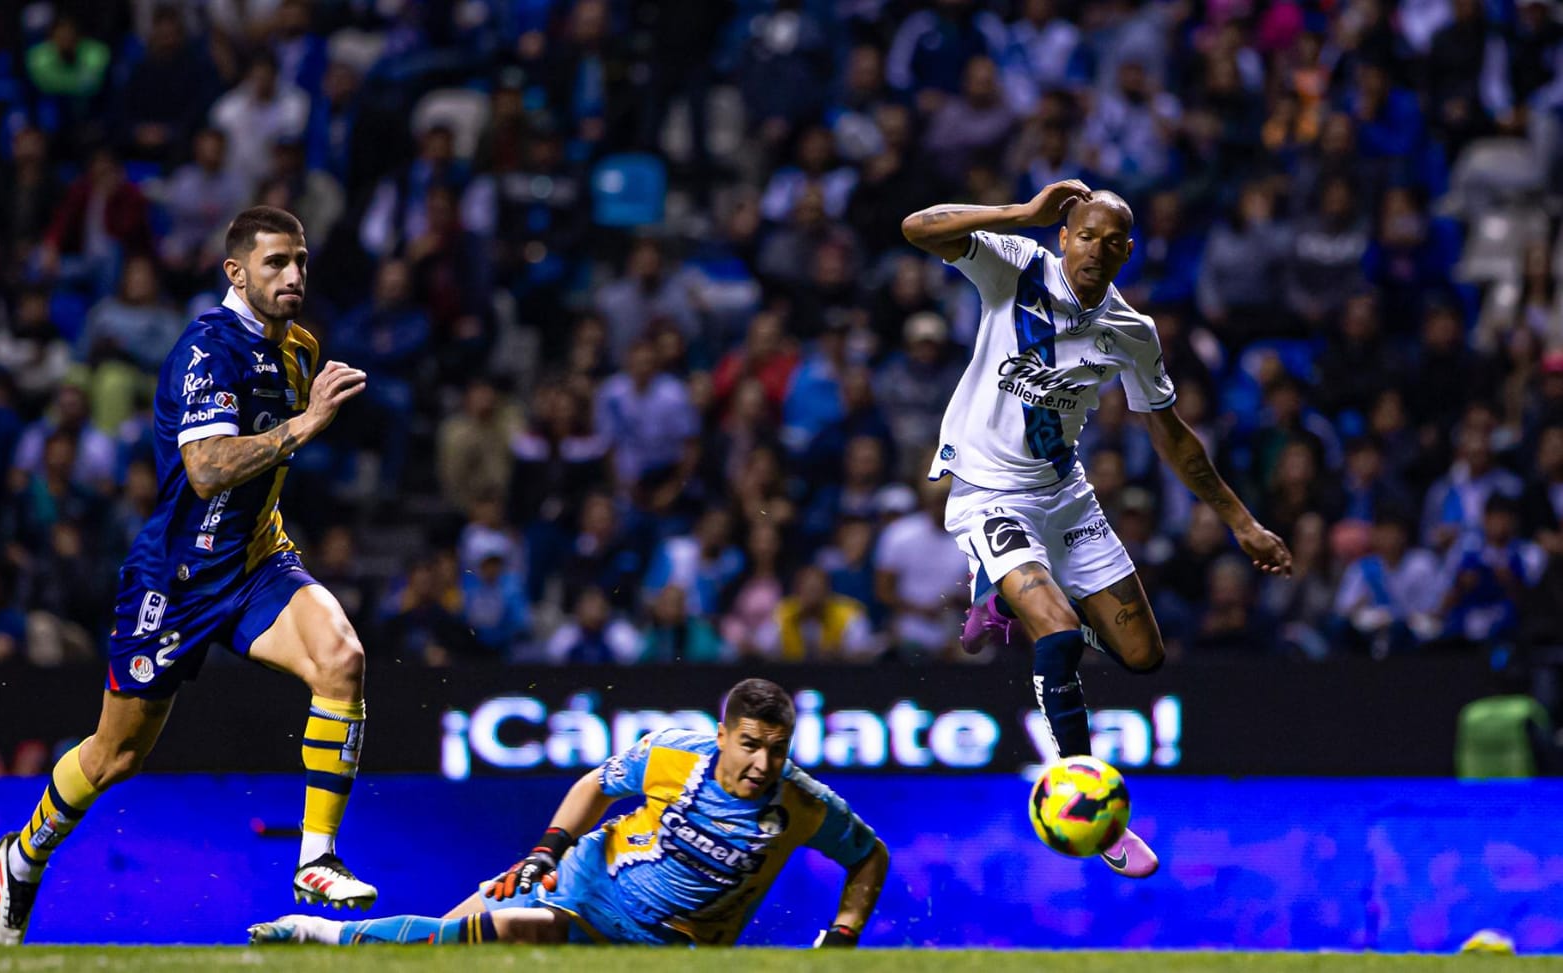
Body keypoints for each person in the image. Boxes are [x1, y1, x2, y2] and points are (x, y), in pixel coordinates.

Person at [0, 207, 378, 946]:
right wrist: (304, 425)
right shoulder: (206, 349)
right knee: (115, 758)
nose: (293, 275)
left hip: (258, 562)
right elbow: (204, 470)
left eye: (299, 261)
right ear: (236, 272)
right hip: (176, 579)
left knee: (343, 658)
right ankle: (24, 853)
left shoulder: (300, 351)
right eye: (275, 263)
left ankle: (316, 858)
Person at [900, 182, 1292, 878]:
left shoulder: (1130, 331)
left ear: (1126, 252)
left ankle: (1006, 598)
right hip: (990, 495)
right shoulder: (1014, 265)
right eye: (1085, 235)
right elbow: (916, 225)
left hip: (1066, 499)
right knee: (1054, 633)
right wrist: (1019, 212)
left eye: (1112, 241)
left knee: (1142, 655)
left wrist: (1242, 522)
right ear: (1063, 235)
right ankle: (1088, 802)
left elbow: (1173, 438)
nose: (1096, 250)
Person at [249, 678, 887, 948]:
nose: (761, 765)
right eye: (750, 746)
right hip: (577, 880)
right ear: (723, 736)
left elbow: (869, 857)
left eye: (777, 751)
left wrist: (845, 933)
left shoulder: (802, 805)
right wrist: (547, 849)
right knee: (443, 947)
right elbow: (596, 785)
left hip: (662, 949)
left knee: (505, 936)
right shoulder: (674, 753)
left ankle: (316, 935)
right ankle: (309, 940)